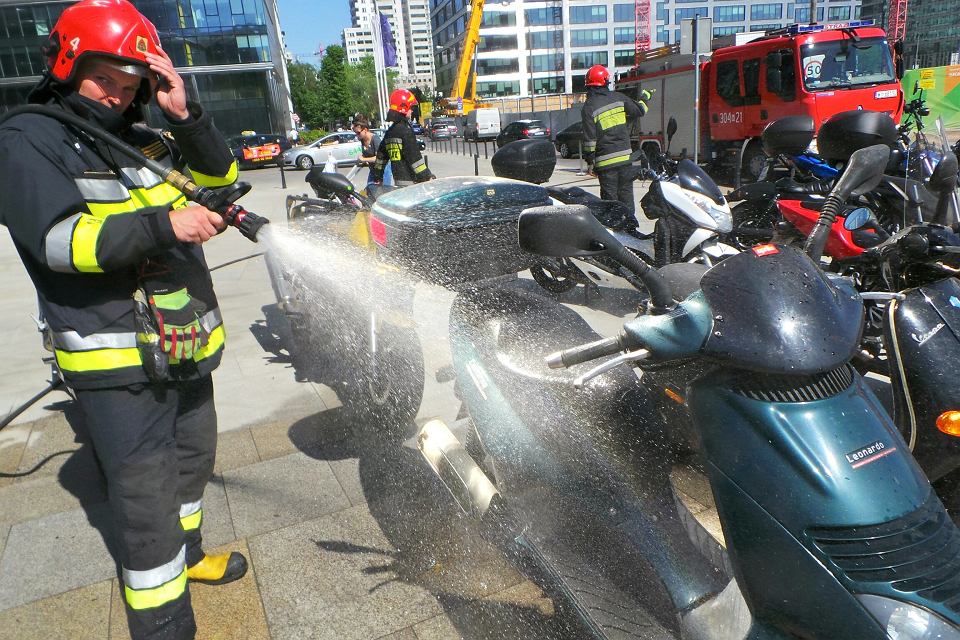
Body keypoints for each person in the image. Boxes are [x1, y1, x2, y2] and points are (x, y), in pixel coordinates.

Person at [0, 1, 245, 638]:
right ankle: (165, 626)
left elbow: (220, 177)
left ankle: (190, 558)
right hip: (119, 360)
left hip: (182, 341)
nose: (117, 95)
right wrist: (166, 226)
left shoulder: (143, 137)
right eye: (104, 79)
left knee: (192, 465)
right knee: (146, 502)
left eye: (131, 83)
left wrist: (184, 116)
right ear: (67, 64)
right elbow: (59, 242)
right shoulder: (29, 139)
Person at [581, 64, 651, 216]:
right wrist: (645, 98)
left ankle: (614, 228)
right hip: (625, 161)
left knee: (610, 205)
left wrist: (590, 162)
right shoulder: (619, 98)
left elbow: (590, 140)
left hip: (605, 165)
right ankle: (631, 226)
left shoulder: (589, 107)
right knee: (626, 199)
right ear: (606, 81)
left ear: (589, 86)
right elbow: (640, 110)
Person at [370, 88, 435, 186]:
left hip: (399, 181)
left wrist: (377, 176)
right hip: (412, 183)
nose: (412, 111)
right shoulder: (405, 131)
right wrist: (427, 176)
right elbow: (414, 157)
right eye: (410, 108)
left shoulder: (390, 132)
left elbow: (381, 157)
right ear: (403, 108)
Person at [352, 112, 392, 186]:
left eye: (358, 133)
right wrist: (362, 158)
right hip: (373, 170)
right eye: (355, 133)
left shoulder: (375, 139)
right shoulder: (362, 140)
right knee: (369, 189)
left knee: (383, 191)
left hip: (383, 170)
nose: (357, 135)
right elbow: (367, 154)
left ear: (365, 129)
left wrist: (364, 159)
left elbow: (379, 158)